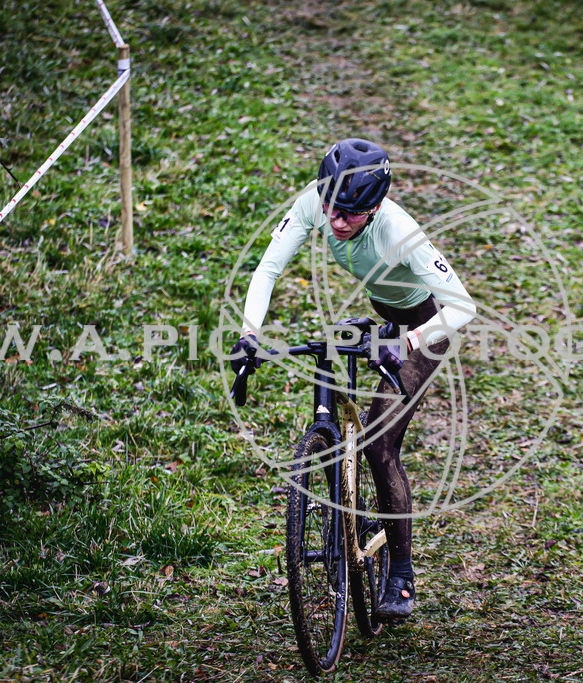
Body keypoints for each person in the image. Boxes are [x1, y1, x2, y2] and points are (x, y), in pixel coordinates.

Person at [232, 138, 476, 620]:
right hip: (383, 317)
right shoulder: (316, 201)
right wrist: (249, 334)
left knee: (379, 445)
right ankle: (345, 506)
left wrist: (406, 343)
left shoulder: (399, 230)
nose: (336, 222)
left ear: (377, 205)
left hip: (425, 329)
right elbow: (268, 268)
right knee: (331, 379)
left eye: (350, 215)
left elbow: (463, 306)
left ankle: (402, 576)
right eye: (331, 209)